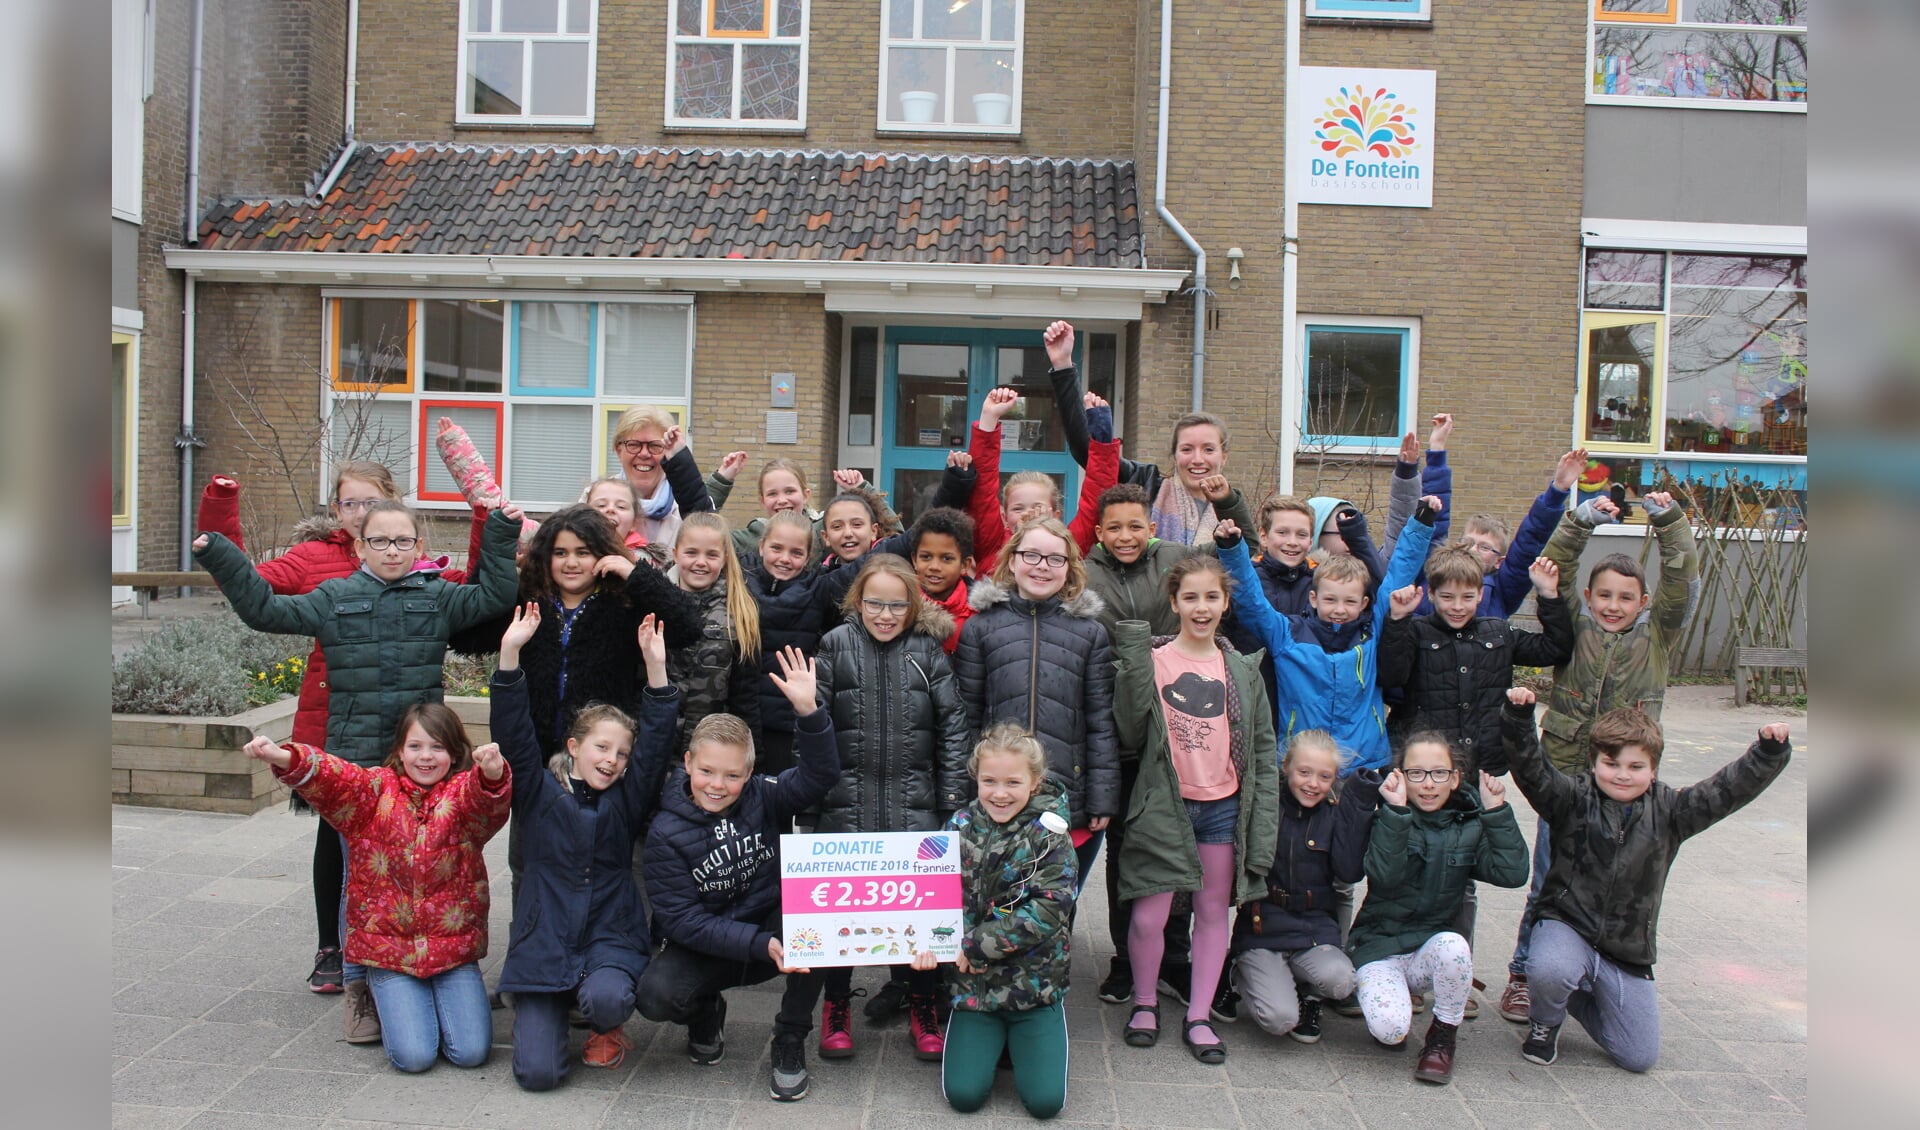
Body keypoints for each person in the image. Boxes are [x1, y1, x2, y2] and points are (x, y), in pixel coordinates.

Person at [192, 498, 520, 1043]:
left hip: (423, 761)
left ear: (419, 547)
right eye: (379, 541)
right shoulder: (334, 597)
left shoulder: (436, 596)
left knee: (425, 869)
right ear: (359, 545)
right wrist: (222, 556)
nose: (392, 551)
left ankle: (427, 965)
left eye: (402, 541)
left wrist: (503, 529)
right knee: (358, 879)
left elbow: (495, 596)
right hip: (356, 762)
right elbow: (265, 611)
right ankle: (358, 988)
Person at [1502, 692, 1793, 1071]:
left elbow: (1725, 791)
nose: (1623, 774)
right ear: (1594, 764)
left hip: (1625, 946)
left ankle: (1574, 996)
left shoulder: (1672, 811)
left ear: (1653, 769)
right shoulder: (1571, 799)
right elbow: (1531, 769)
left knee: (1637, 1056)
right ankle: (1547, 1020)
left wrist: (1767, 753)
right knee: (1550, 968)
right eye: (1611, 763)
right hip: (1567, 924)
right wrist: (1519, 717)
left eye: (1636, 766)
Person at [1497, 490, 1699, 1024]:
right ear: (1588, 596)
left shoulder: (1657, 638)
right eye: (1603, 595)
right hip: (1567, 780)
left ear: (1644, 603)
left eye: (1625, 597)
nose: (1612, 605)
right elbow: (1552, 568)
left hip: (1629, 787)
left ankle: (1604, 971)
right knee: (1548, 878)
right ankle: (1523, 973)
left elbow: (1683, 580)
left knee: (1621, 881)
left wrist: (1671, 521)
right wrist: (1581, 519)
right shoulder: (1577, 630)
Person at [447, 504, 703, 910]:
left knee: (604, 862)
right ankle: (531, 942)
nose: (571, 562)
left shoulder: (623, 605)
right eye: (561, 552)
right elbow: (465, 637)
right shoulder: (528, 603)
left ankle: (603, 942)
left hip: (600, 755)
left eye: (583, 552)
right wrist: (493, 556)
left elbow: (688, 625)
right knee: (529, 862)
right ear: (545, 556)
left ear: (601, 554)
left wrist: (635, 573)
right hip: (535, 757)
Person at [241, 709, 509, 1073]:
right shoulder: (375, 790)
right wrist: (281, 756)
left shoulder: (462, 796)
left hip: (452, 955)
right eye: (415, 746)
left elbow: (487, 802)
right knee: (415, 1057)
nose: (426, 756)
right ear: (400, 750)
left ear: (455, 752)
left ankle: (432, 998)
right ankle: (375, 988)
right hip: (390, 955)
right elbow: (332, 776)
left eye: (437, 747)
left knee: (472, 1053)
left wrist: (492, 772)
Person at [636, 647, 841, 1104]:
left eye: (731, 775)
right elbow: (682, 921)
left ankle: (789, 1037)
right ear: (687, 764)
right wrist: (755, 944)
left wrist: (809, 711)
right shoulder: (665, 832)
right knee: (655, 996)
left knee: (821, 924)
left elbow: (820, 775)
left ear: (749, 773)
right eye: (706, 771)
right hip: (710, 942)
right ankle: (705, 1012)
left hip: (769, 926)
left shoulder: (763, 796)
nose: (716, 784)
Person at [489, 607, 681, 1090]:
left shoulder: (627, 797)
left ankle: (606, 1025)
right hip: (545, 935)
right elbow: (513, 734)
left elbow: (656, 745)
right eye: (601, 748)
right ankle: (547, 1010)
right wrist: (510, 654)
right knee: (537, 1075)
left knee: (611, 997)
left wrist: (655, 669)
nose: (612, 760)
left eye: (620, 754)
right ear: (574, 747)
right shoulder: (536, 790)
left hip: (608, 934)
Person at [1080, 480, 1253, 1007]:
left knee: (1190, 854)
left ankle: (1174, 959)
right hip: (1122, 729)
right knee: (1131, 855)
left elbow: (1231, 556)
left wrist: (1229, 501)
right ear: (1099, 531)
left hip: (1182, 730)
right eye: (1115, 527)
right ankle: (1127, 961)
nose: (1126, 536)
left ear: (1152, 528)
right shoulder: (1083, 574)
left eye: (1136, 525)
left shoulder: (1177, 559)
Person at [1111, 556, 1279, 1064]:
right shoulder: (1155, 659)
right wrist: (1134, 659)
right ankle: (1144, 1003)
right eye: (1190, 597)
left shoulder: (1242, 669)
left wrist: (1264, 827)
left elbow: (1264, 751)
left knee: (1211, 913)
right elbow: (1128, 730)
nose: (1201, 608)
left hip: (1223, 808)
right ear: (1174, 603)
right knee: (1148, 916)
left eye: (1211, 597)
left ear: (1225, 602)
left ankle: (1199, 1014)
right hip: (1165, 805)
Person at [804, 555, 972, 1059]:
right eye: (875, 603)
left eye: (896, 605)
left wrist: (950, 809)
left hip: (914, 806)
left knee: (916, 916)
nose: (884, 614)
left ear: (912, 606)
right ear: (858, 600)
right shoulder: (835, 645)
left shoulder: (928, 651)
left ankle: (923, 1005)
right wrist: (809, 810)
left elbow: (953, 732)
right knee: (842, 916)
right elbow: (811, 729)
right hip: (844, 804)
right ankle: (836, 1005)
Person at [909, 724, 1076, 1120]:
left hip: (1034, 988)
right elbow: (930, 891)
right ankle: (993, 1040)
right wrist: (920, 941)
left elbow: (1048, 910)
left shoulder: (1051, 836)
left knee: (1045, 1104)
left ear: (1035, 782)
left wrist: (971, 945)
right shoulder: (959, 826)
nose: (999, 793)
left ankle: (1037, 1029)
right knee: (964, 1096)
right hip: (975, 988)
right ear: (976, 778)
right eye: (989, 781)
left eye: (1013, 782)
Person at [1347, 734, 1530, 1085]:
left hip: (1428, 952)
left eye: (1439, 773)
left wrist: (1496, 812)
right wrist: (1397, 811)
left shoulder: (1470, 824)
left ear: (1456, 778)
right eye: (1416, 773)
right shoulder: (1387, 816)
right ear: (1399, 776)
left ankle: (1442, 1036)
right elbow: (1384, 877)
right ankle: (1386, 1000)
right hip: (1380, 948)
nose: (1428, 784)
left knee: (1455, 946)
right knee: (1391, 1030)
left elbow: (1512, 873)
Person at [953, 517, 1119, 895]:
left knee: (1056, 904)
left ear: (1069, 568)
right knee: (994, 901)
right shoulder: (981, 628)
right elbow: (966, 717)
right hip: (996, 793)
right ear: (1012, 560)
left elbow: (1100, 721)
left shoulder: (1090, 633)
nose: (1042, 566)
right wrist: (963, 788)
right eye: (1031, 555)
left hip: (1066, 794)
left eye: (1055, 559)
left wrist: (1102, 795)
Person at [1216, 499, 1438, 774]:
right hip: (1301, 762)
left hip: (1361, 760)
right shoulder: (1287, 634)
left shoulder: (1370, 632)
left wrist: (1421, 523)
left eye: (1349, 601)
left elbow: (1398, 574)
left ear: (1364, 603)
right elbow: (1252, 601)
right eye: (1330, 599)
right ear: (1314, 598)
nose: (1340, 610)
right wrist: (1231, 550)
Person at [1232, 731, 1381, 1042]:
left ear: (1334, 779)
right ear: (1286, 767)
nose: (1313, 784)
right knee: (1279, 1020)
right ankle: (1236, 975)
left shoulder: (1334, 814)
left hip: (1313, 928)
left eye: (1324, 776)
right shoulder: (1267, 807)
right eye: (1304, 772)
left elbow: (1349, 871)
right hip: (1264, 928)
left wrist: (1359, 807)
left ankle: (1308, 994)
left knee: (1341, 982)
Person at [1379, 550, 1575, 775]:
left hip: (1482, 764)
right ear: (1431, 594)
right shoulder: (1416, 631)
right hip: (1428, 764)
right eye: (1447, 597)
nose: (1458, 607)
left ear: (1481, 594)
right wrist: (1397, 621)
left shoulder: (1498, 633)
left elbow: (1555, 649)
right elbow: (1391, 676)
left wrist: (1548, 595)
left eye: (1467, 597)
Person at [739, 510, 861, 777]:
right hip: (741, 715)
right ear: (761, 546)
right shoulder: (738, 583)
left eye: (796, 553)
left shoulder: (818, 590)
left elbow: (873, 561)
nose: (785, 559)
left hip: (788, 722)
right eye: (776, 548)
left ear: (808, 557)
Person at [665, 511, 763, 751]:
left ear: (725, 558)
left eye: (711, 555)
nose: (701, 562)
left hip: (711, 751)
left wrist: (753, 756)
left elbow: (745, 697)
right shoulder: (655, 602)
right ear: (675, 553)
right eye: (691, 553)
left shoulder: (740, 611)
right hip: (654, 744)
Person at [702, 455, 860, 558]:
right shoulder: (751, 538)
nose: (782, 500)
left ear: (805, 495)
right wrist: (721, 481)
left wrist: (861, 488)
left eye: (790, 491)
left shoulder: (826, 530)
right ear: (762, 500)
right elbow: (699, 531)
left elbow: (882, 531)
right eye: (772, 494)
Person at [612, 407, 714, 547]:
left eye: (655, 446)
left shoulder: (686, 505)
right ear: (619, 450)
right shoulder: (595, 500)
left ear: (667, 452)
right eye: (634, 445)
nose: (644, 454)